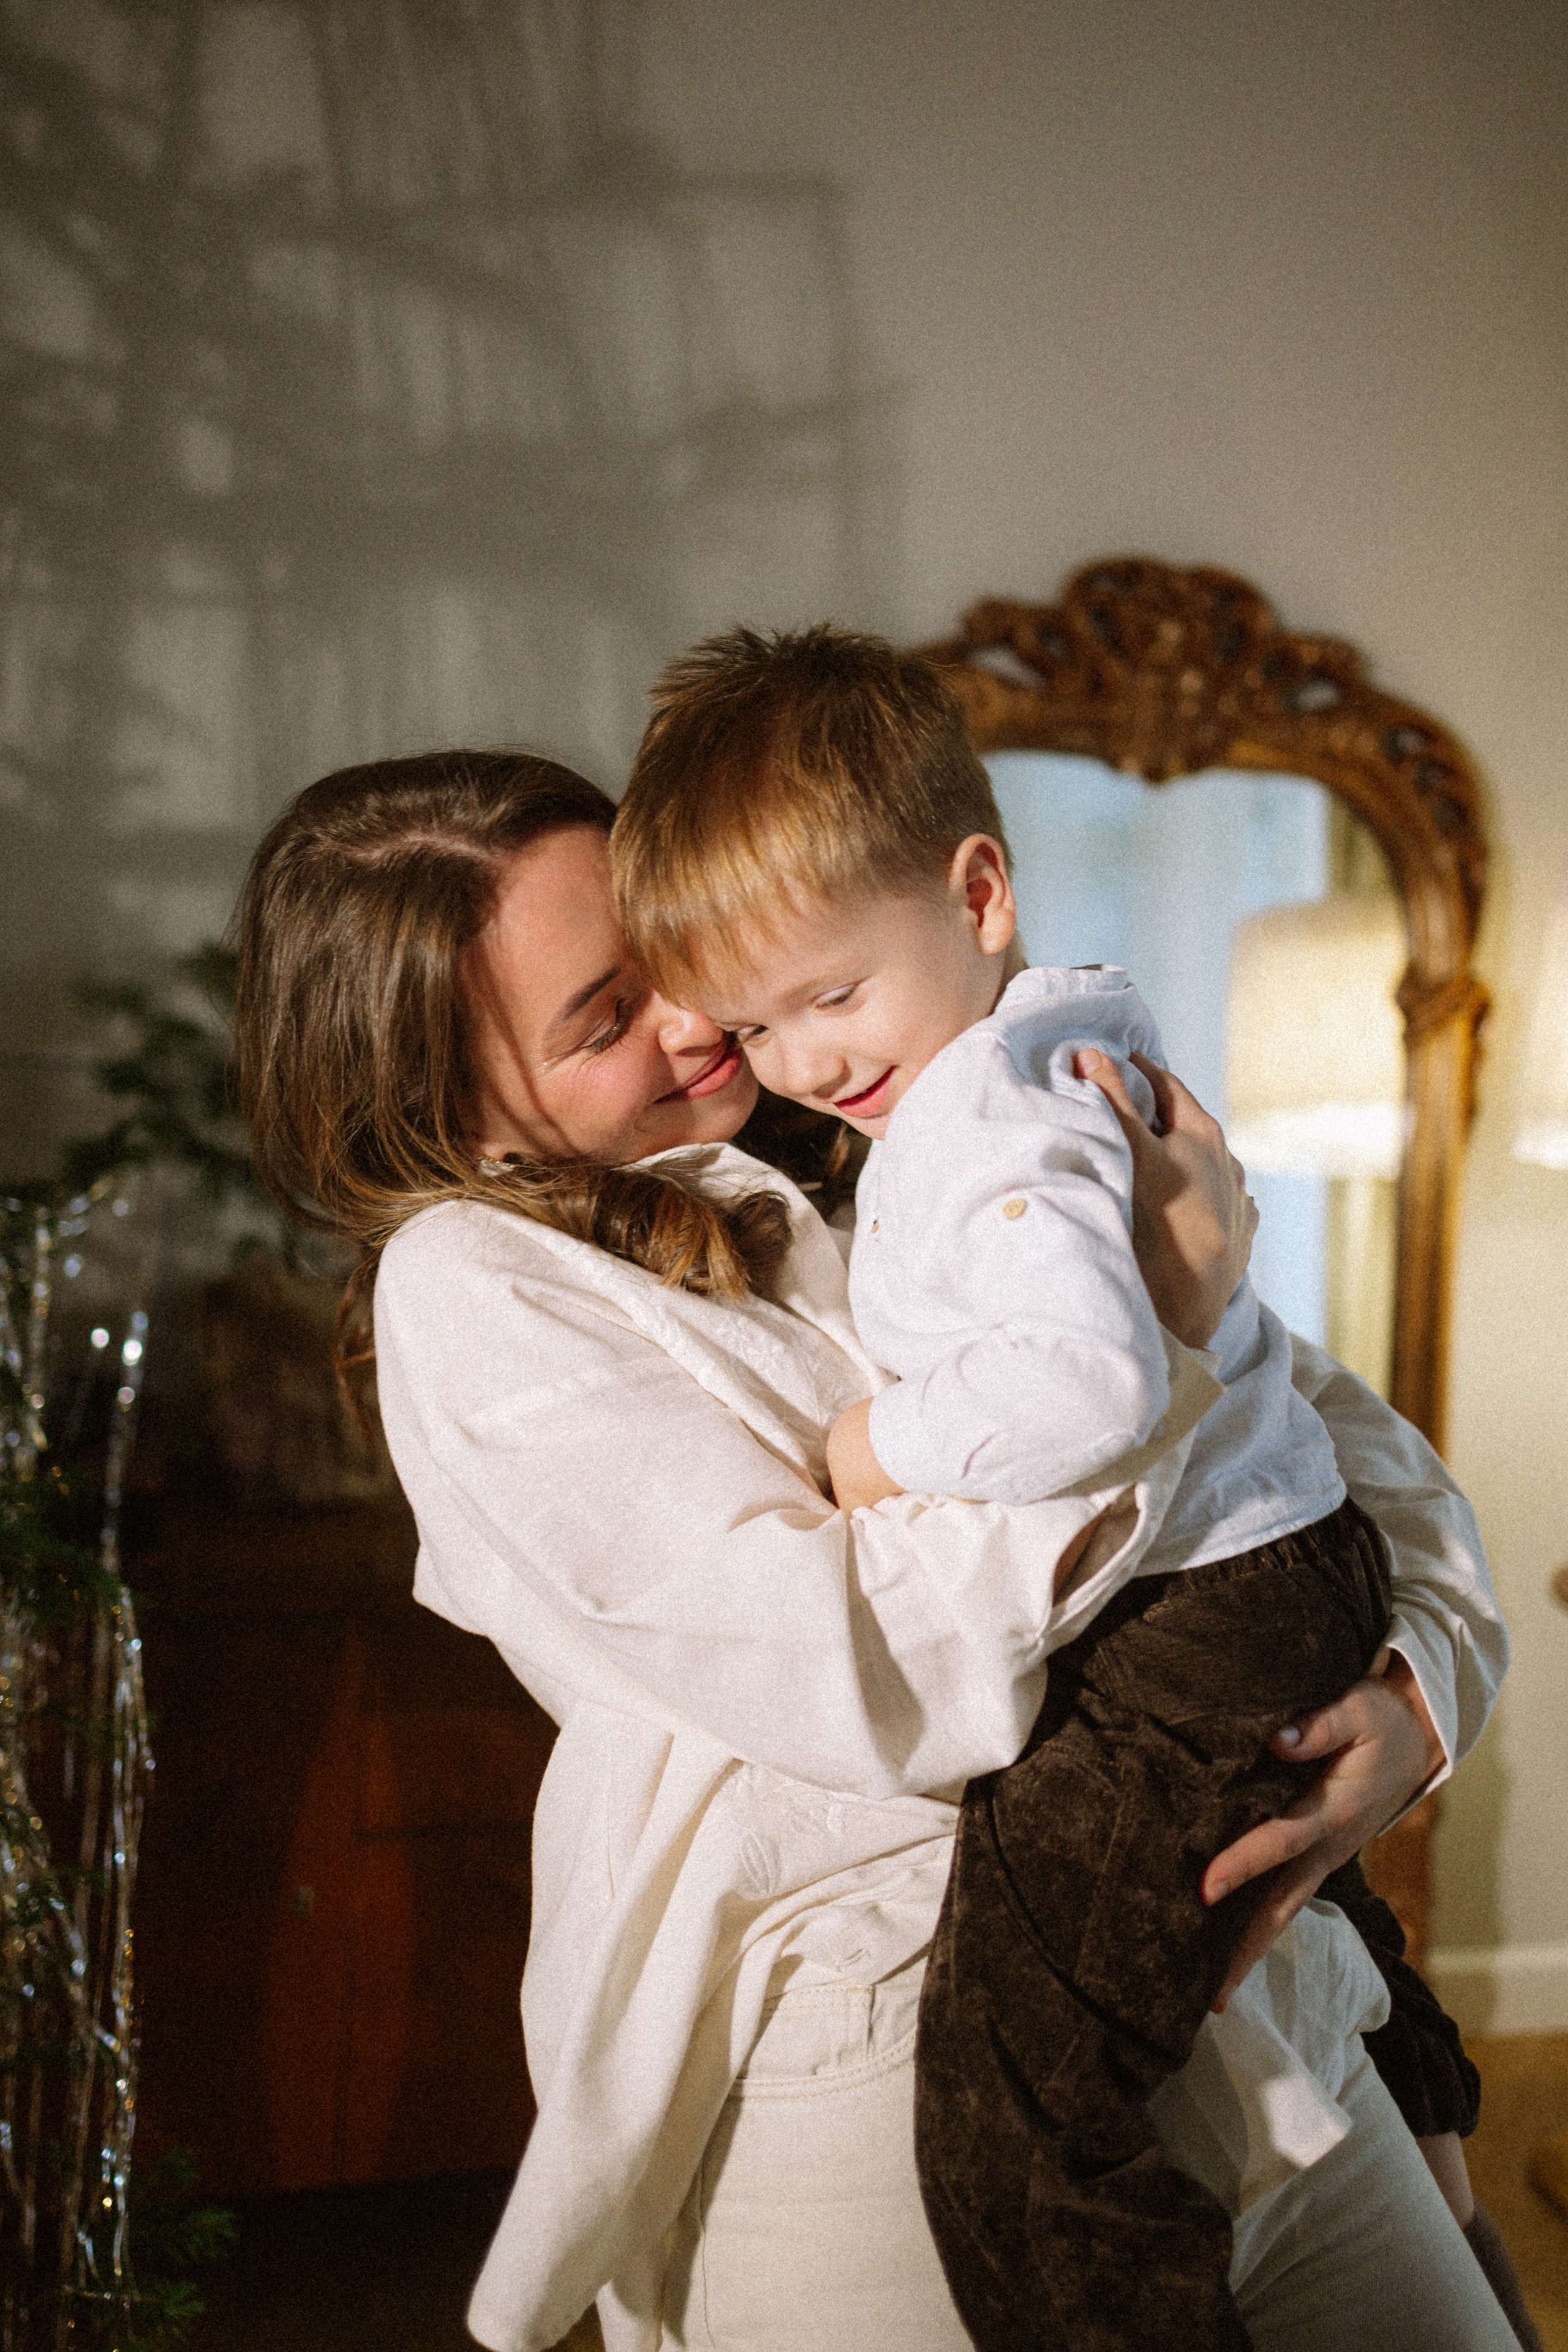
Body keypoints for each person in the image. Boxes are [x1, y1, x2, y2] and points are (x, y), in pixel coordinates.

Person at [233, 747, 1517, 2352]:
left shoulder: (924, 1110)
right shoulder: (475, 1289)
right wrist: (1169, 1350)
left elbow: (1370, 1462)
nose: (700, 1022)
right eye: (603, 1018)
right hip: (890, 2057)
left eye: (668, 956)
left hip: (1260, 1994)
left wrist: (1417, 1703)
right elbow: (866, 1670)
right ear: (447, 1111)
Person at [606, 624, 1501, 2351]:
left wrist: (881, 1450)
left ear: (980, 889)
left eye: (832, 997)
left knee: (1018, 2088)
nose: (799, 1059)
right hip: (1265, 1576)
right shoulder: (1018, 1064)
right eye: (756, 1019)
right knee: (1275, 1950)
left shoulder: (990, 1122)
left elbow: (1096, 1387)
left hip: (1216, 1603)